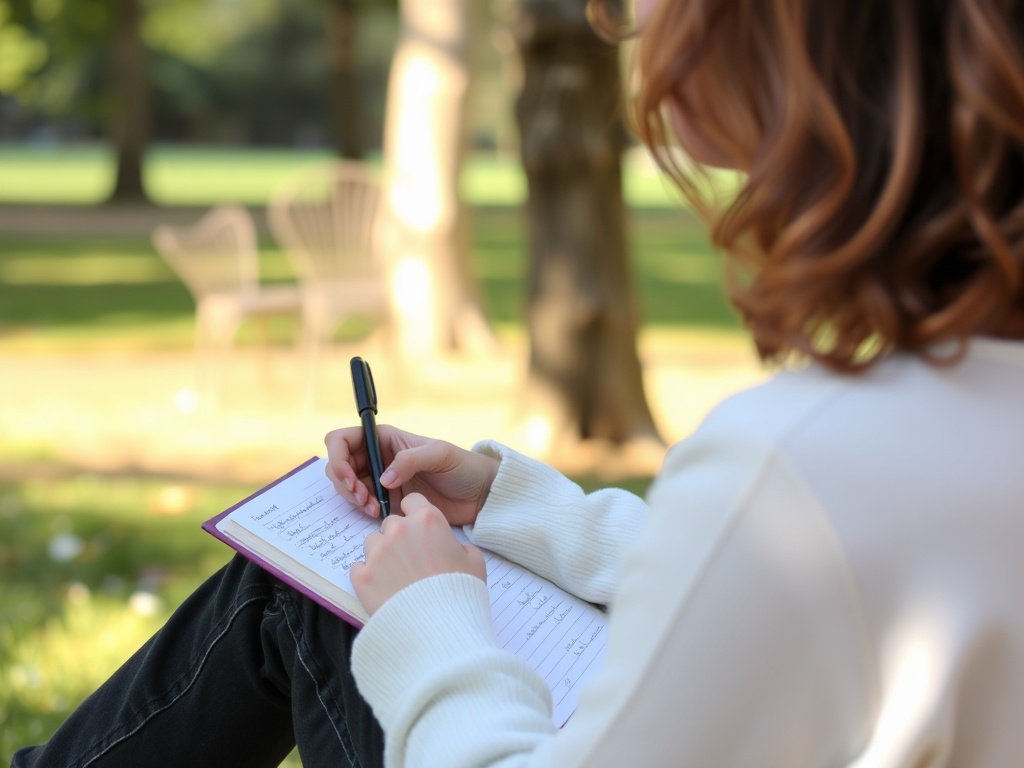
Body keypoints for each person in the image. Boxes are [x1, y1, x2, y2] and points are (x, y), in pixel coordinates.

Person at [14, 0, 1024, 765]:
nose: (622, 24)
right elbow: (771, 582)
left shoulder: (792, 465)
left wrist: (431, 623)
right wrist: (507, 504)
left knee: (312, 594)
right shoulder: (959, 422)